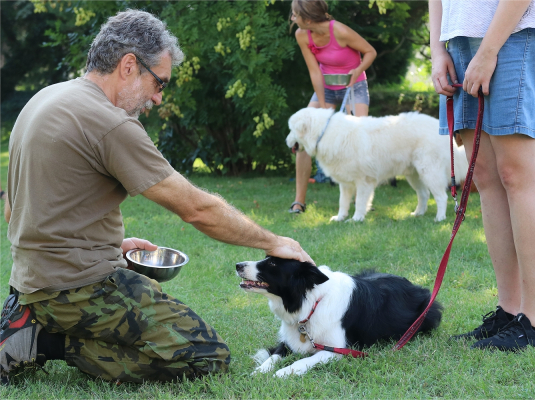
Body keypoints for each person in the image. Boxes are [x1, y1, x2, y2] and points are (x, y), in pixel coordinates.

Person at [0, 9, 313, 384]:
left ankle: (30, 316)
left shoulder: (46, 99)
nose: (158, 99)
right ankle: (44, 340)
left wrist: (109, 244)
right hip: (75, 289)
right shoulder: (110, 122)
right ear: (129, 65)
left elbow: (14, 211)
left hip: (29, 281)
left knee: (149, 300)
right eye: (159, 84)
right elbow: (197, 209)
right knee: (208, 357)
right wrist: (274, 242)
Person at [429, 0, 535, 351]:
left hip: (517, 29)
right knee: (486, 178)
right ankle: (510, 311)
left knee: (517, 174)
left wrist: (489, 51)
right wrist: (437, 47)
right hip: (460, 37)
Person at [288, 0, 376, 213]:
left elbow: (370, 52)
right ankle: (299, 201)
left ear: (308, 19)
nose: (292, 18)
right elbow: (314, 71)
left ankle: (361, 200)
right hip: (326, 86)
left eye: (294, 14)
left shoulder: (340, 31)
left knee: (360, 139)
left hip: (354, 84)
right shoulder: (302, 34)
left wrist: (357, 71)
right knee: (302, 137)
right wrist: (324, 103)